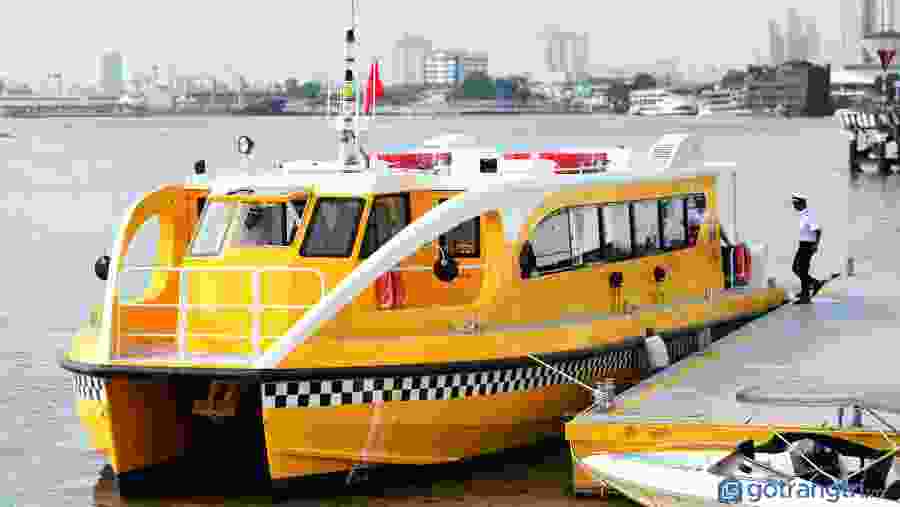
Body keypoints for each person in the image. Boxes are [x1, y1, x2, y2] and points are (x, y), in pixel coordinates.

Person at [791, 193, 824, 304]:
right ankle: (814, 284)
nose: (793, 206)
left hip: (808, 245)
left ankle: (805, 296)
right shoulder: (803, 215)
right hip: (802, 244)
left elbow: (818, 230)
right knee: (796, 268)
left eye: (795, 203)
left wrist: (816, 245)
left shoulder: (809, 215)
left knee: (802, 269)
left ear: (801, 203)